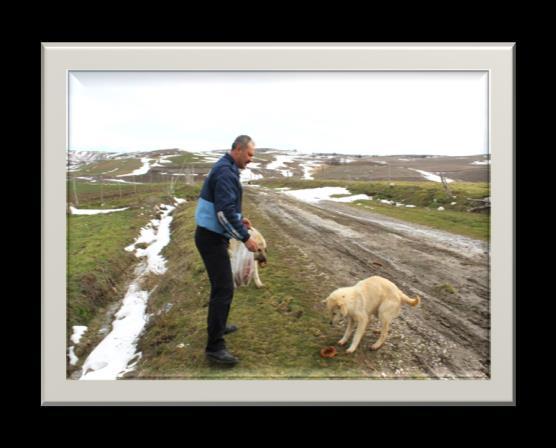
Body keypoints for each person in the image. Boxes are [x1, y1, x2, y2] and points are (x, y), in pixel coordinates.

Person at [194, 135, 259, 365]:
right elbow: (223, 213)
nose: (251, 159)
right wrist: (245, 237)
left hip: (211, 235)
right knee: (223, 289)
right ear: (238, 149)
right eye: (250, 154)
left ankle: (218, 327)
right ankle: (214, 348)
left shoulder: (226, 167)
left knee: (221, 287)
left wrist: (240, 220)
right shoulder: (225, 172)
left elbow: (226, 208)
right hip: (210, 238)